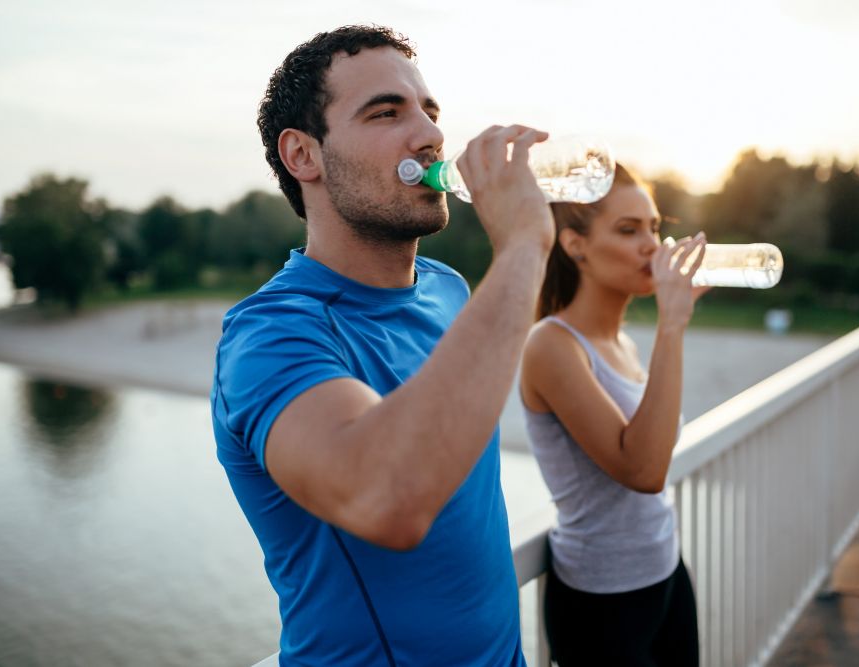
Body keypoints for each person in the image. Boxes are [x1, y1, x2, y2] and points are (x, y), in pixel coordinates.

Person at [211, 25, 556, 666]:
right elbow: (385, 498)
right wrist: (524, 245)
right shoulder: (269, 335)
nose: (429, 134)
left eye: (429, 111)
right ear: (303, 156)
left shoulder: (450, 289)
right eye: (386, 112)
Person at [519, 164, 706, 666]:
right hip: (602, 600)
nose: (653, 246)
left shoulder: (620, 343)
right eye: (629, 230)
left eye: (654, 228)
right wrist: (672, 325)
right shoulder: (552, 346)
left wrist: (671, 328)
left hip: (664, 571)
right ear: (575, 245)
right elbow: (644, 471)